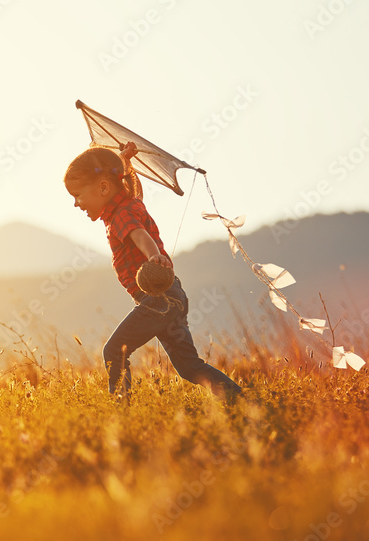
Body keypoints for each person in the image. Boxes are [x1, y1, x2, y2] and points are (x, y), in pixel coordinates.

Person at [63, 142, 242, 401]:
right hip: (171, 298)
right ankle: (243, 402)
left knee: (114, 351)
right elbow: (134, 193)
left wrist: (153, 255)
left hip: (160, 301)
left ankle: (121, 409)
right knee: (190, 367)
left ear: (103, 187)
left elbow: (139, 235)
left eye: (78, 195)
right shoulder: (129, 205)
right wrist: (124, 163)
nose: (77, 203)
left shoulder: (122, 215)